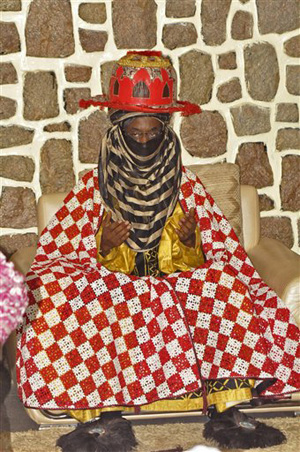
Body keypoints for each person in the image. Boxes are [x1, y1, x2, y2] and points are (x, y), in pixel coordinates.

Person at [16, 51, 299, 451]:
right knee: (63, 293)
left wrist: (190, 244)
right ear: (118, 131)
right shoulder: (91, 188)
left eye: (154, 134)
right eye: (137, 134)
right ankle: (101, 416)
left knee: (226, 283)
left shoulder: (186, 186)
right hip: (114, 287)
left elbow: (223, 251)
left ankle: (227, 409)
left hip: (174, 285)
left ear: (167, 130)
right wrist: (103, 246)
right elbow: (57, 255)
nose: (146, 141)